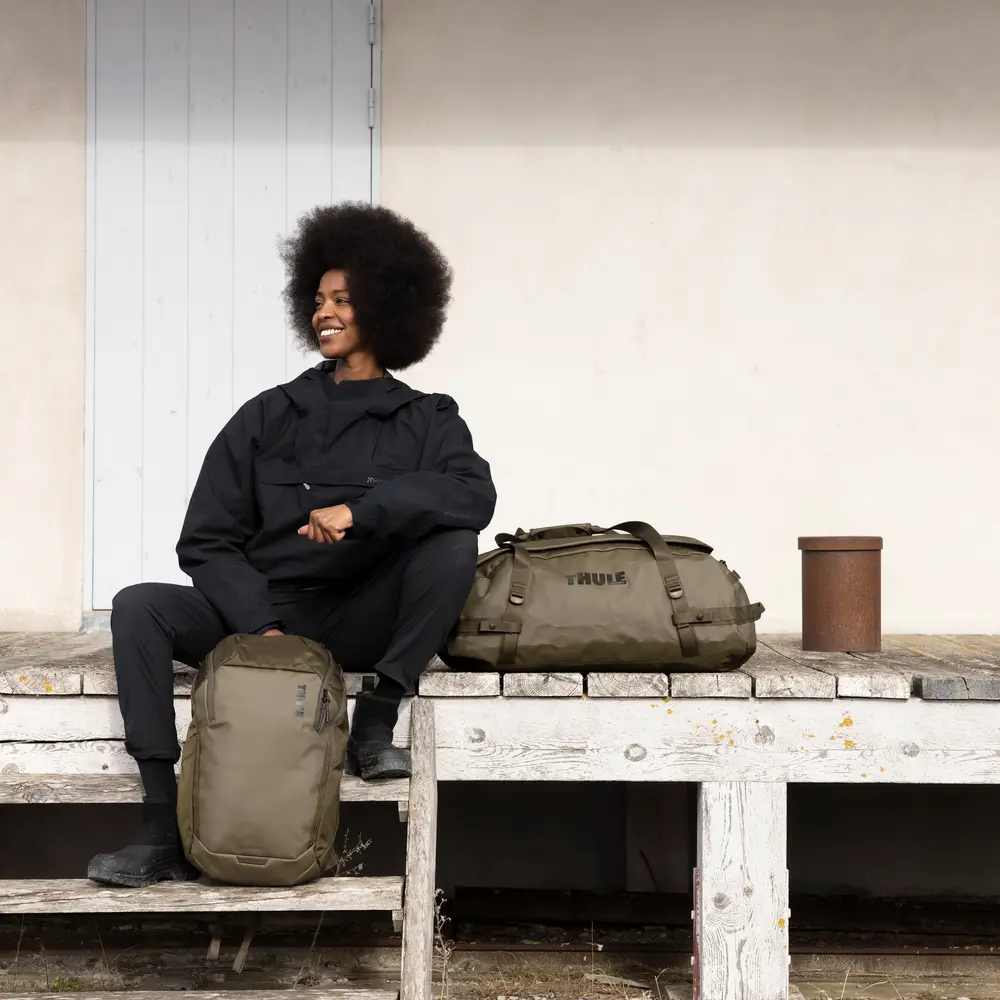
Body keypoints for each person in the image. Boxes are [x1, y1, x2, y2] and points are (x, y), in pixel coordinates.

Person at [87, 203, 496, 888]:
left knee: (455, 542)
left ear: (387, 307)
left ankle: (376, 723)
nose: (323, 313)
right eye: (318, 300)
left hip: (360, 618)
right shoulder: (267, 416)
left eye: (342, 300)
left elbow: (471, 496)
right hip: (262, 617)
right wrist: (262, 626)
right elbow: (206, 540)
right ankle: (160, 826)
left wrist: (362, 512)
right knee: (138, 606)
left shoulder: (428, 419)